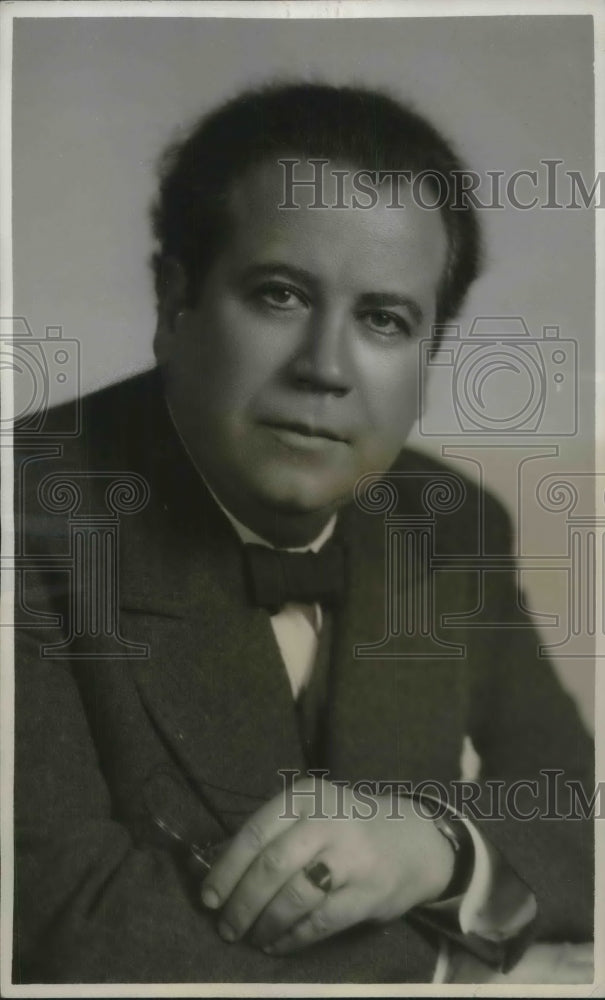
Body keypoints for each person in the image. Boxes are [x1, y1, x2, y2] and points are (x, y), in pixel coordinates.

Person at [12, 83, 593, 985]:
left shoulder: (447, 522)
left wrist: (435, 845)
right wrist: (452, 956)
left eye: (383, 319)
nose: (324, 367)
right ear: (174, 305)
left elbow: (572, 805)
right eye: (279, 295)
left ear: (427, 356)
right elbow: (63, 928)